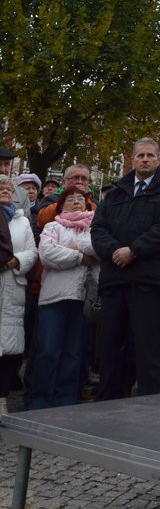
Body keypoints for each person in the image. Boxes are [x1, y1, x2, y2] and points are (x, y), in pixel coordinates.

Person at [90, 137, 160, 400]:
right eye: (140, 155)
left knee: (147, 350)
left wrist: (134, 251)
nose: (145, 159)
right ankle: (107, 402)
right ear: (132, 159)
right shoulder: (116, 193)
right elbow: (98, 228)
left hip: (148, 283)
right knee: (109, 348)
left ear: (158, 159)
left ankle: (149, 405)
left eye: (150, 155)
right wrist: (114, 251)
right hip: (114, 281)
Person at [27, 186, 98, 409]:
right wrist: (80, 257)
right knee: (48, 351)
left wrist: (74, 246)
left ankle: (65, 399)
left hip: (82, 299)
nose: (77, 202)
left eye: (81, 199)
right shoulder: (53, 226)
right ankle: (40, 399)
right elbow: (48, 255)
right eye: (71, 200)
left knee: (74, 353)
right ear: (61, 205)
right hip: (53, 298)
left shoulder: (95, 228)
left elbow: (98, 247)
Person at [0, 175, 38, 417]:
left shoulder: (21, 221)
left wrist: (16, 261)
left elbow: (32, 252)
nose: (4, 190)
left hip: (11, 286)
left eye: (7, 187)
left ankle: (1, 402)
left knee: (8, 350)